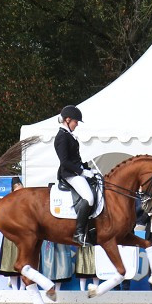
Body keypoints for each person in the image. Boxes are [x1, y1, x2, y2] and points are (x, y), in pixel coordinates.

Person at [54, 105, 95, 247]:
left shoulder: (69, 135)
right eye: (75, 122)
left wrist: (87, 168)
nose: (77, 124)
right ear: (67, 120)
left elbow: (74, 159)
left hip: (76, 171)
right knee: (89, 198)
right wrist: (82, 172)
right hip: (69, 174)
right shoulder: (62, 137)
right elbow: (65, 162)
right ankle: (79, 233)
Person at [0, 177, 24, 288]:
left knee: (25, 263)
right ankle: (14, 289)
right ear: (12, 191)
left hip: (25, 236)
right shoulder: (7, 201)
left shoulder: (27, 202)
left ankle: (24, 288)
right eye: (18, 190)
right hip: (12, 235)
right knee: (11, 262)